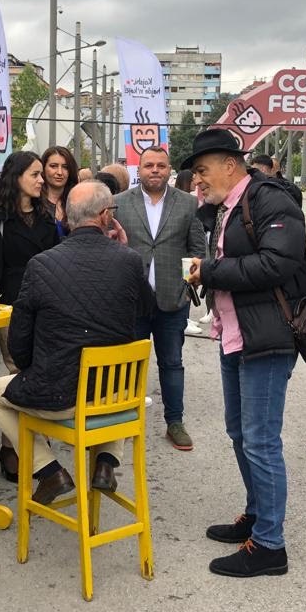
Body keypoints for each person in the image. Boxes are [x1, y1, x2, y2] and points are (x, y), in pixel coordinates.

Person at [182, 129, 306, 578]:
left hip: (268, 338)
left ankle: (271, 546)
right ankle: (257, 517)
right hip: (235, 334)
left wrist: (212, 271)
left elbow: (279, 262)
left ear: (230, 165)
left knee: (260, 440)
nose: (197, 180)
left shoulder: (271, 199)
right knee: (239, 432)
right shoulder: (225, 207)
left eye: (202, 170)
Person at [0, 180, 151, 504]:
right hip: (117, 395)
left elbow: (19, 343)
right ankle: (105, 462)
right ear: (105, 216)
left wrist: (35, 370)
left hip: (62, 396)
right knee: (114, 375)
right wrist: (126, 248)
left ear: (68, 218)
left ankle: (49, 471)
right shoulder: (128, 261)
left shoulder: (41, 264)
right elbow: (147, 308)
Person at [0, 151, 58, 481]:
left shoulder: (45, 215)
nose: (41, 180)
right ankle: (11, 447)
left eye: (41, 175)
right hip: (9, 304)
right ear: (17, 176)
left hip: (46, 304)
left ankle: (36, 441)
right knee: (17, 371)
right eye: (35, 174)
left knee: (43, 370)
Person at [115, 146, 206, 450]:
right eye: (149, 165)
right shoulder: (118, 204)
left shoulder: (188, 204)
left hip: (172, 300)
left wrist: (186, 287)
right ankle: (125, 420)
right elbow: (110, 249)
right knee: (128, 364)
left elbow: (197, 251)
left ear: (170, 171)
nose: (155, 170)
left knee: (172, 363)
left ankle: (175, 422)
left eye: (161, 166)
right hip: (131, 299)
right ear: (138, 170)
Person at [41, 145, 79, 237]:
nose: (59, 172)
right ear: (43, 169)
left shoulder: (78, 202)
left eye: (65, 167)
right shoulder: (34, 202)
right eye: (53, 166)